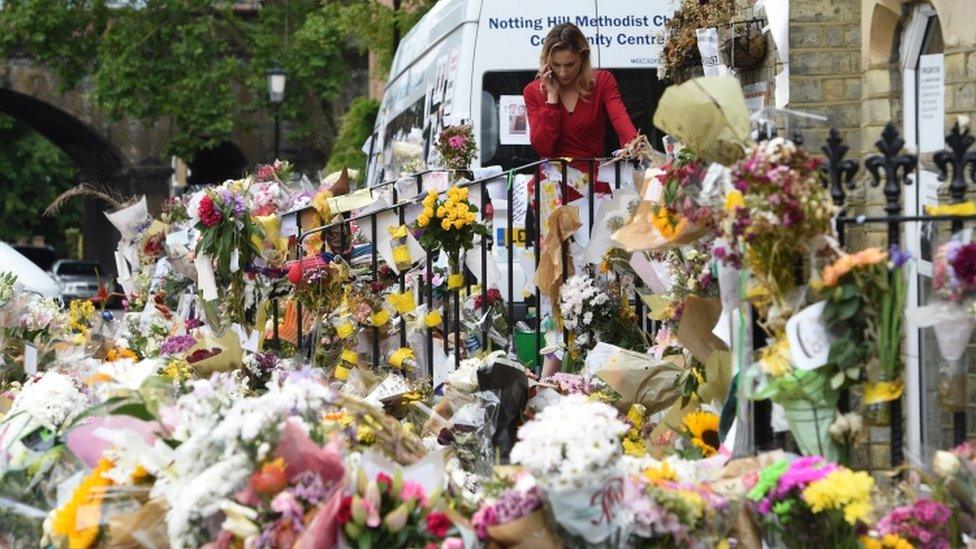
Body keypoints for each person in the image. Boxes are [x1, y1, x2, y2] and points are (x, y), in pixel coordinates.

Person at [523, 23, 638, 162]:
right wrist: (552, 98)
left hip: (592, 178)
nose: (563, 73)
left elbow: (620, 119)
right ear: (547, 62)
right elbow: (543, 148)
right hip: (551, 181)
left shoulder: (602, 82)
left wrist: (635, 144)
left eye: (570, 64)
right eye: (556, 64)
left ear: (583, 58)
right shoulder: (533, 91)